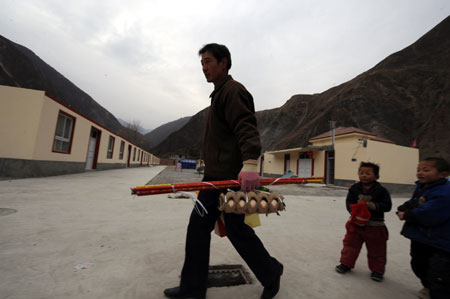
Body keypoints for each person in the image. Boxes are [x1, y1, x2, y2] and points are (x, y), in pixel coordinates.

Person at [163, 43, 283, 299]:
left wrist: (250, 163)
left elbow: (246, 126)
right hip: (213, 180)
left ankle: (271, 273)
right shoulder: (218, 93)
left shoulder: (233, 91)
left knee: (237, 231)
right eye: (202, 64)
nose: (204, 68)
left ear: (224, 62)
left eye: (208, 61)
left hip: (230, 180)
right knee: (198, 229)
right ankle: (192, 289)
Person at [397, 157, 450, 299]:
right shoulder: (423, 186)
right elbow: (416, 201)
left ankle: (437, 292)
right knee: (418, 264)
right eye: (418, 169)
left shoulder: (445, 192)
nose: (420, 173)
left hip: (439, 242)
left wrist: (407, 215)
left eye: (426, 170)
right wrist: (405, 206)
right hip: (421, 237)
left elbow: (430, 214)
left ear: (443, 174)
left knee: (439, 273)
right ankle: (428, 286)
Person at [335, 162, 392, 282]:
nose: (364, 175)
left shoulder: (381, 191)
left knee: (377, 249)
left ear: (377, 176)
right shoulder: (354, 188)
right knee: (350, 245)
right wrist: (353, 210)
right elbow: (349, 201)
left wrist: (372, 205)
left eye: (368, 173)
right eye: (361, 173)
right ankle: (346, 264)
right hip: (355, 225)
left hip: (375, 226)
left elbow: (387, 206)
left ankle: (377, 271)